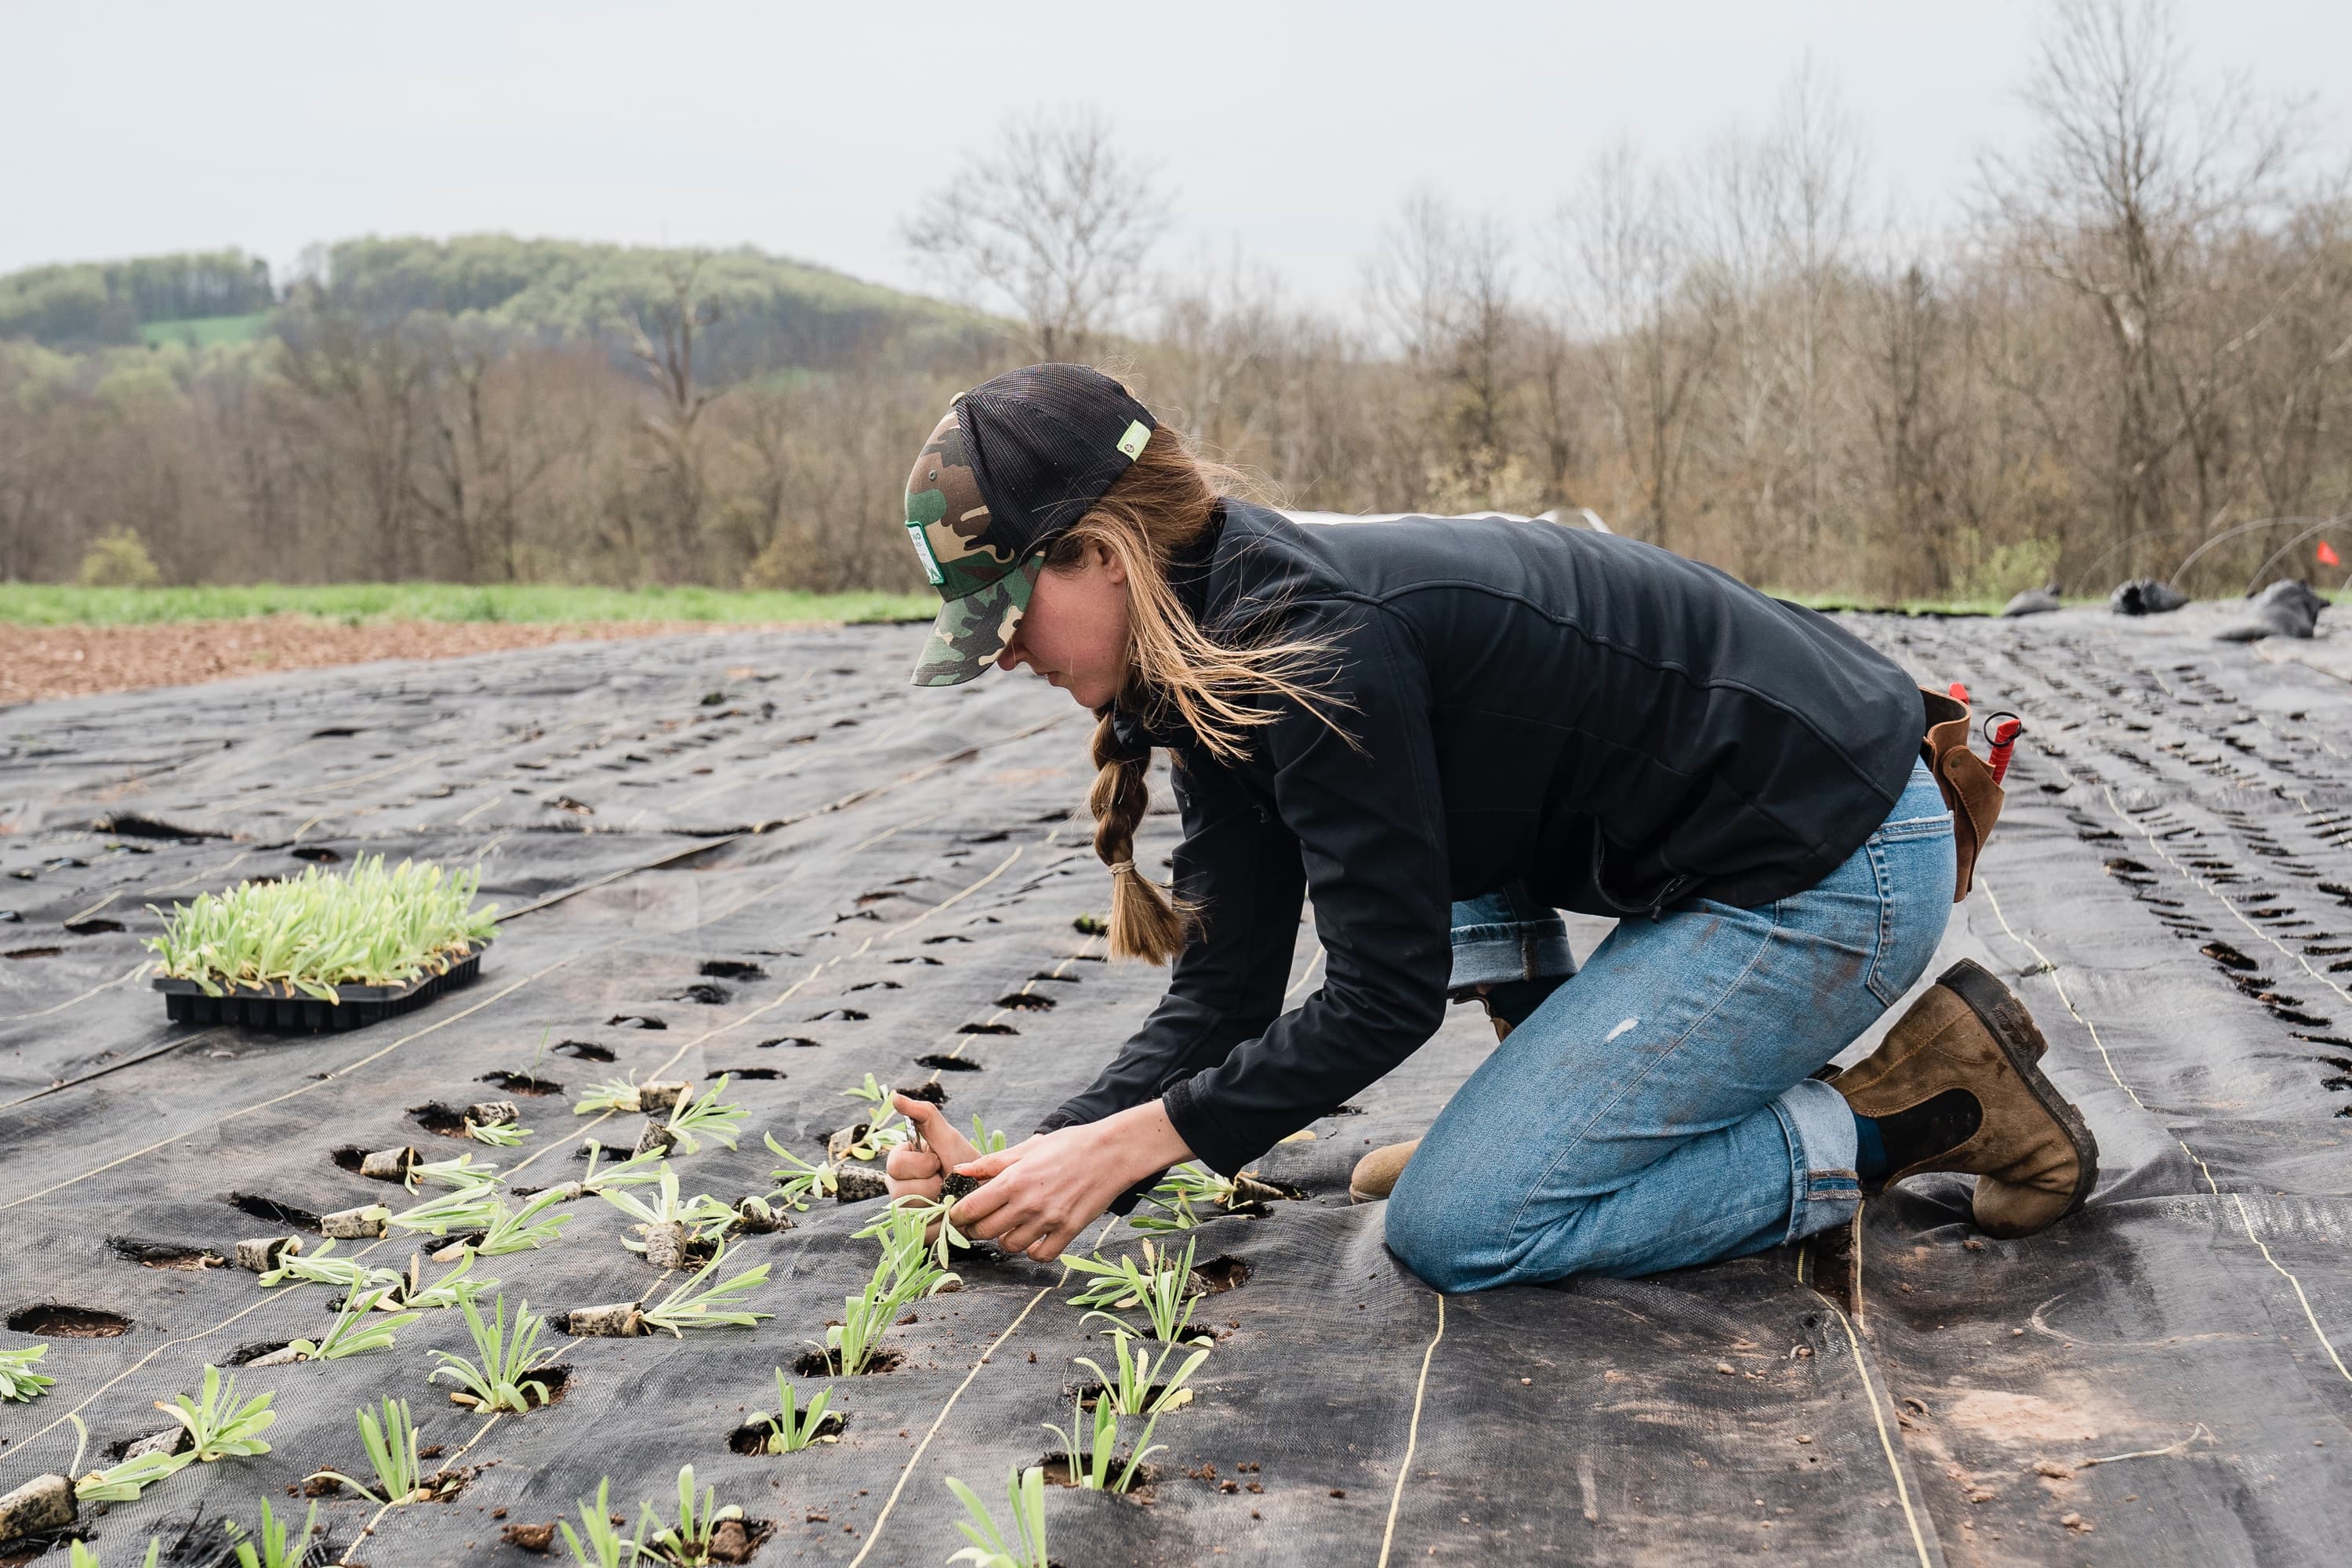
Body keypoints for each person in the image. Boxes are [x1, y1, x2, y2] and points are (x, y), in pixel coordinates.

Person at [882, 362, 2098, 1289]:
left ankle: (1920, 1108)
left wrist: (1124, 1148)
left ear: (1099, 552)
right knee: (1443, 938)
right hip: (1734, 838)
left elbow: (1381, 996)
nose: (1001, 660)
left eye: (1007, 617)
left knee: (1465, 1226)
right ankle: (1546, 1118)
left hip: (1835, 864)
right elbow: (1227, 993)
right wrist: (1030, 1165)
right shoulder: (1202, 649)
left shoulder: (1312, 645)